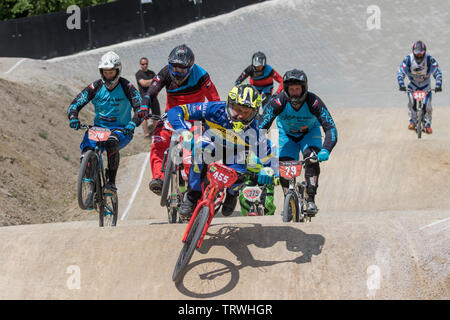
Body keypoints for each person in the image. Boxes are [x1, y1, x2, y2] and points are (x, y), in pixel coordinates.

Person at [166, 83, 276, 218]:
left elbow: (268, 155)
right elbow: (176, 111)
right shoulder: (214, 109)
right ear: (230, 104)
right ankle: (192, 195)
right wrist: (183, 130)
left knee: (239, 173)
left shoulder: (255, 129)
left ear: (254, 113)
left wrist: (268, 170)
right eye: (237, 109)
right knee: (198, 152)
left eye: (246, 112)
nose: (240, 116)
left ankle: (232, 194)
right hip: (212, 143)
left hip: (236, 150)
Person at [137, 44, 220, 196]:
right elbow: (150, 92)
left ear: (190, 67)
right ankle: (159, 179)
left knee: (193, 149)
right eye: (174, 68)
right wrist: (144, 106)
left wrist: (213, 119)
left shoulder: (201, 75)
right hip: (171, 116)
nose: (177, 73)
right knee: (157, 141)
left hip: (195, 118)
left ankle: (195, 186)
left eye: (182, 69)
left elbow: (214, 99)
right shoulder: (165, 72)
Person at [259, 69, 338, 215]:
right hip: (287, 136)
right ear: (286, 89)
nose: (294, 92)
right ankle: (287, 200)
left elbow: (331, 128)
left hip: (309, 134)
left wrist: (326, 149)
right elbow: (260, 129)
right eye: (291, 89)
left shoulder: (314, 101)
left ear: (304, 88)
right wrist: (263, 155)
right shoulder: (277, 102)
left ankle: (311, 199)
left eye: (297, 88)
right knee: (283, 165)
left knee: (312, 159)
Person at [67, 51, 143, 194]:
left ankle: (111, 183)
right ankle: (91, 187)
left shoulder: (127, 87)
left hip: (121, 130)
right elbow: (75, 104)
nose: (108, 76)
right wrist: (73, 118)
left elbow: (141, 108)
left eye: (111, 72)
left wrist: (133, 123)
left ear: (118, 71)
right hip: (98, 129)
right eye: (105, 72)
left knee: (112, 142)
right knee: (87, 149)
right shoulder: (95, 87)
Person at [397, 40, 442, 134]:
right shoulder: (408, 59)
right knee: (411, 102)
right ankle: (412, 121)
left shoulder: (430, 59)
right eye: (417, 54)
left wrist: (438, 85)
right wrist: (401, 84)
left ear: (424, 52)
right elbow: (400, 71)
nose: (419, 56)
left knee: (428, 106)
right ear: (413, 52)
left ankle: (427, 124)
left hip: (426, 85)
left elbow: (437, 72)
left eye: (421, 54)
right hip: (413, 85)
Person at [135, 57, 161, 139]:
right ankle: (146, 134)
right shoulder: (138, 74)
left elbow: (158, 83)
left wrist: (152, 81)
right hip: (143, 97)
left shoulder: (151, 73)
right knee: (144, 116)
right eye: (143, 64)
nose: (145, 65)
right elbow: (143, 84)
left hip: (153, 96)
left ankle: (152, 131)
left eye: (146, 64)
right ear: (140, 65)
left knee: (157, 115)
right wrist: (153, 80)